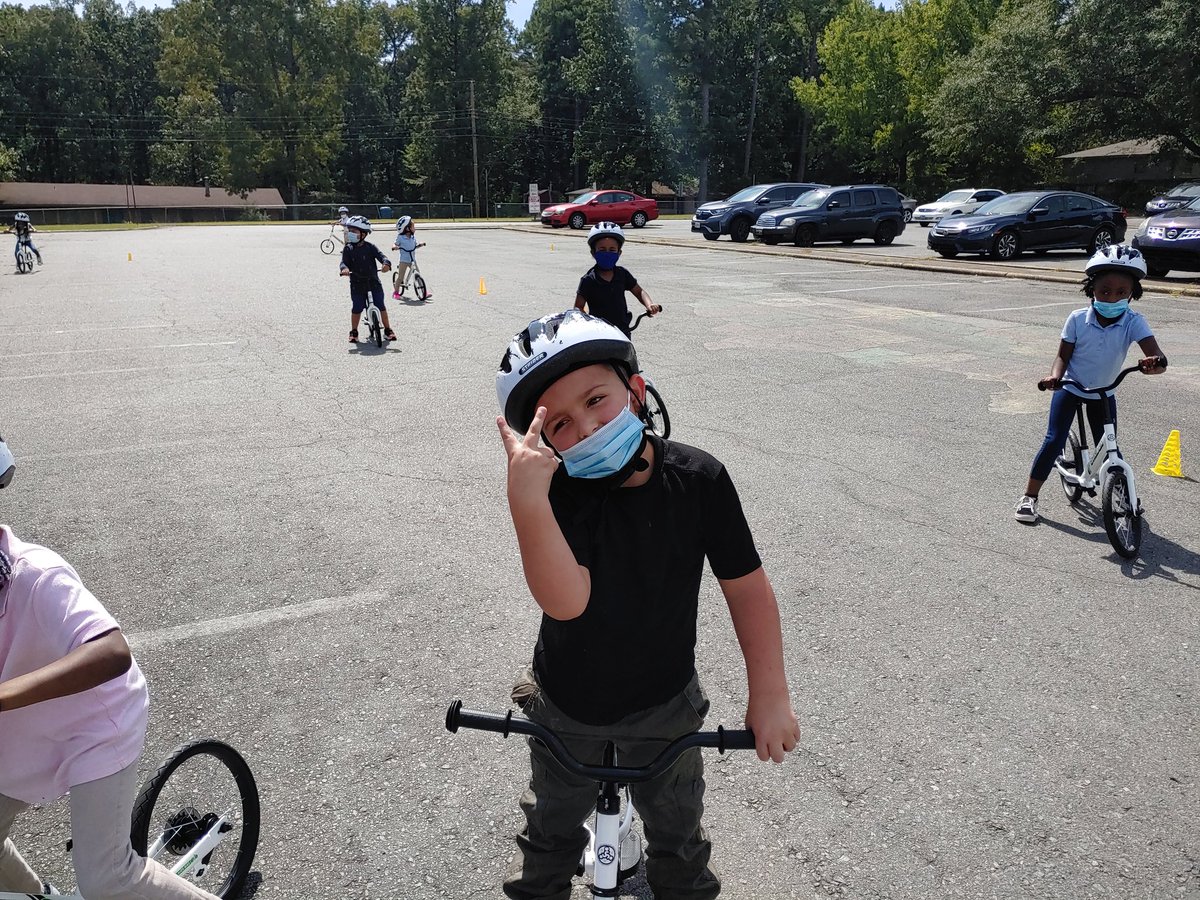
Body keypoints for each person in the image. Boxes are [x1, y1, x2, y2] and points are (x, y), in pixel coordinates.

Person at [494, 310, 800, 900]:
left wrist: (769, 694)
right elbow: (566, 601)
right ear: (543, 440)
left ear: (636, 391)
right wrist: (527, 501)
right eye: (558, 423)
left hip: (665, 706)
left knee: (679, 839)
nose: (584, 428)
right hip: (566, 704)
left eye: (596, 400)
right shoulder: (557, 491)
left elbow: (747, 588)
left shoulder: (700, 478)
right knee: (549, 840)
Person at [0, 434, 220, 900]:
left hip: (95, 726)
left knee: (107, 878)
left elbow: (111, 652)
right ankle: (43, 896)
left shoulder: (35, 574)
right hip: (23, 731)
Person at [1015, 244, 1167, 524]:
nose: (1112, 298)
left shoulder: (1134, 321)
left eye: (1122, 293)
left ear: (1132, 293)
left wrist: (1153, 363)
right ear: (1091, 290)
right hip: (1071, 387)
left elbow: (1155, 355)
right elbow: (1063, 355)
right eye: (1105, 291)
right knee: (1054, 440)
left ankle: (1123, 495)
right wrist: (1055, 377)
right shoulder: (1077, 319)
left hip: (1104, 391)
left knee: (1110, 447)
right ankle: (1029, 496)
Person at [574, 222, 659, 337]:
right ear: (593, 253)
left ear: (619, 253)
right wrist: (587, 322)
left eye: (612, 249)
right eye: (602, 249)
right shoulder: (588, 280)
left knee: (626, 354)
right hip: (598, 333)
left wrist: (649, 305)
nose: (607, 253)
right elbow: (578, 307)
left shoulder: (622, 274)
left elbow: (639, 292)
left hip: (622, 331)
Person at [338, 215, 395, 343]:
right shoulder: (348, 249)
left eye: (354, 231)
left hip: (373, 281)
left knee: (380, 305)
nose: (351, 234)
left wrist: (386, 264)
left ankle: (387, 329)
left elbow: (382, 256)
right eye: (350, 231)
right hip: (357, 283)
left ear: (363, 234)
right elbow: (343, 263)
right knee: (357, 307)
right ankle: (354, 331)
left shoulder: (370, 247)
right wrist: (344, 269)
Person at [390, 216, 429, 301]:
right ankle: (396, 292)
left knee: (418, 274)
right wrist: (395, 247)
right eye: (413, 227)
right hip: (404, 260)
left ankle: (424, 291)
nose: (415, 229)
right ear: (407, 229)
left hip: (412, 260)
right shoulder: (400, 237)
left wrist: (420, 244)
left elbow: (415, 245)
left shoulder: (412, 237)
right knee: (400, 277)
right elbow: (395, 244)